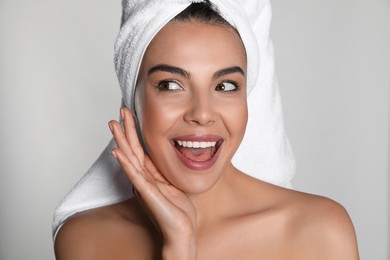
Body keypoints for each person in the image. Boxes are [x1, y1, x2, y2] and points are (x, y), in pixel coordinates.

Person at [54, 1, 359, 259]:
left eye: (225, 86)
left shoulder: (319, 232)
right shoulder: (89, 240)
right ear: (133, 99)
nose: (202, 114)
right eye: (171, 85)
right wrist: (179, 245)